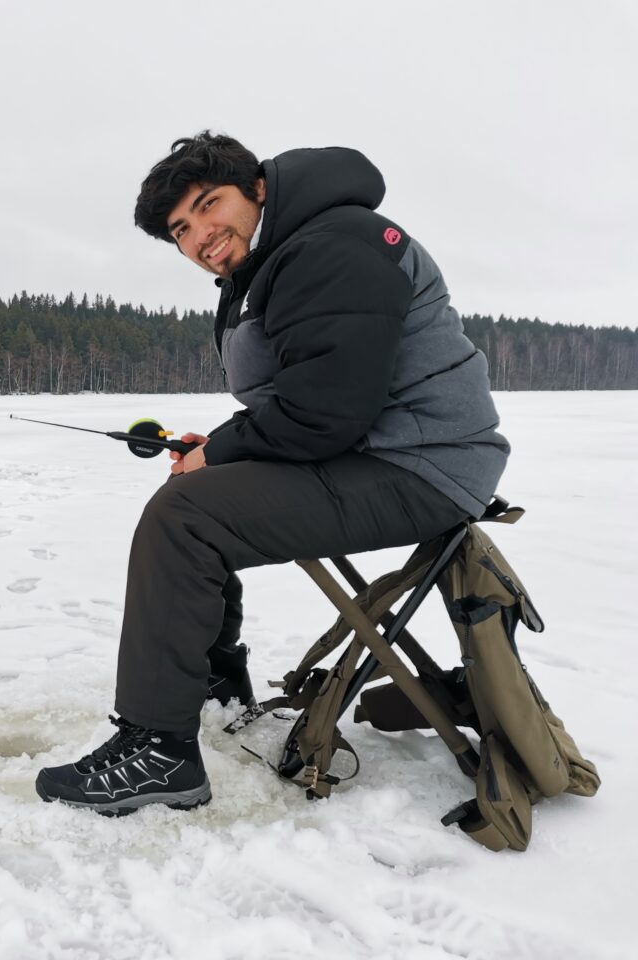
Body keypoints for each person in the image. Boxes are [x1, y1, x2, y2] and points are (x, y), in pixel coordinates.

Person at [35, 132, 510, 815]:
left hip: (422, 467)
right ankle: (208, 683)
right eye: (181, 230)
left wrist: (226, 451)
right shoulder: (275, 259)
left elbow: (328, 408)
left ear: (257, 188)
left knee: (184, 517)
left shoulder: (334, 244)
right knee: (196, 496)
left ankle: (159, 750)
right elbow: (313, 397)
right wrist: (224, 448)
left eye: (209, 205)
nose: (201, 235)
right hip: (386, 454)